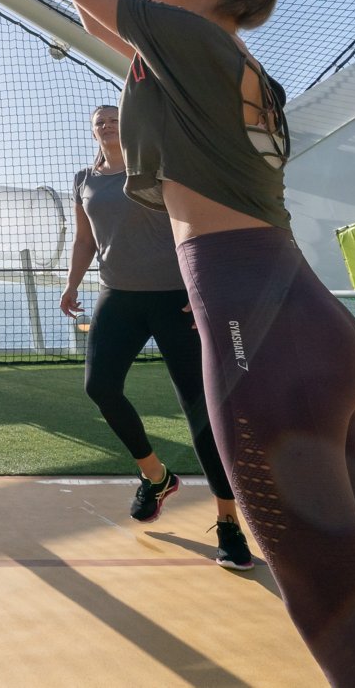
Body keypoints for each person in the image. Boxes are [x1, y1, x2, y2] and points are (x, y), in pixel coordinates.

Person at [0, 0, 355, 687]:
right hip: (316, 328)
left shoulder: (191, 40)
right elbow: (91, 15)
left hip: (264, 344)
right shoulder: (223, 64)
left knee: (337, 622)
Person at [65, 104, 251, 569]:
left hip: (175, 298)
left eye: (113, 118)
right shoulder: (83, 180)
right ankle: (155, 476)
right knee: (100, 388)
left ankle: (229, 520)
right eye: (98, 121)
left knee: (199, 407)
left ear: (126, 126)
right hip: (118, 297)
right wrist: (71, 283)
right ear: (93, 132)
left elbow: (196, 224)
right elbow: (84, 238)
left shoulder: (158, 169)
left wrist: (200, 282)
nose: (106, 124)